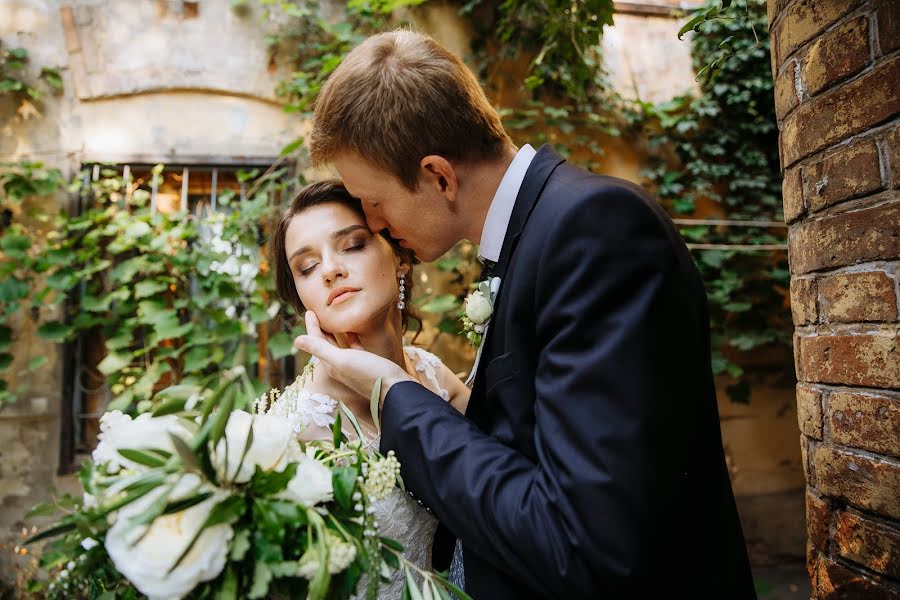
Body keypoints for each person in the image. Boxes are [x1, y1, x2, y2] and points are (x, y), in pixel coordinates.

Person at [295, 30, 757, 598]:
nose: (378, 222)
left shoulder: (595, 231)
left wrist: (394, 390)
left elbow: (589, 547)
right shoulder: (537, 237)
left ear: (439, 176)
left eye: (375, 202)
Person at [265, 179, 470, 598]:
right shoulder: (290, 431)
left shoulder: (433, 374)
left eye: (353, 245)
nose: (329, 270)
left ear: (400, 258)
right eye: (306, 268)